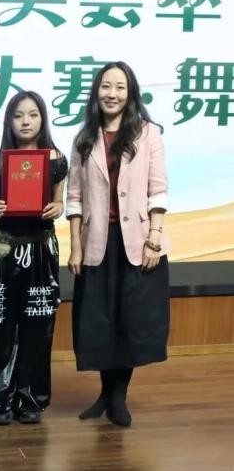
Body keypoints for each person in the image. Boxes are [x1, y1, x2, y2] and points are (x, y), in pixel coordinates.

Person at [67, 61, 171, 427]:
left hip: (137, 243)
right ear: (96, 91)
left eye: (120, 87)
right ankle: (104, 393)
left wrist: (154, 239)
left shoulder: (148, 133)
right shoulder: (83, 138)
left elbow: (158, 189)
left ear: (131, 94)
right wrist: (75, 245)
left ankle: (118, 397)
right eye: (106, 86)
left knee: (130, 321)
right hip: (97, 242)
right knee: (99, 321)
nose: (112, 94)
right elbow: (74, 197)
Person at [0, 91, 66, 425]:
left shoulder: (57, 160)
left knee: (37, 328)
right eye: (18, 115)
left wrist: (58, 207)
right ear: (9, 121)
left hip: (40, 248)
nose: (26, 121)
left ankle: (30, 400)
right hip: (0, 248)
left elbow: (59, 203)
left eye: (33, 114)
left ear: (43, 119)